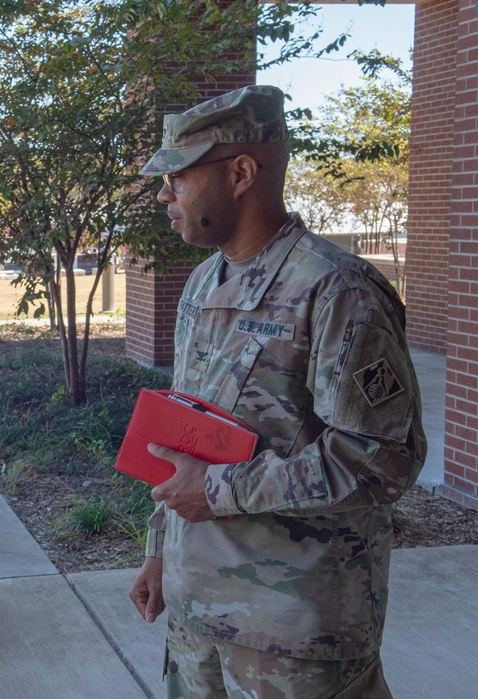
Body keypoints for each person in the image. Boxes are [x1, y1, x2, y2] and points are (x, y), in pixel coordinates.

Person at [128, 86, 426, 698]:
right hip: (195, 619)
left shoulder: (338, 291)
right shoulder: (202, 283)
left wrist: (217, 491)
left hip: (294, 636)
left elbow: (383, 459)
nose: (164, 194)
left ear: (240, 173)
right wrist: (162, 548)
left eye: (178, 177)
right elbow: (187, 433)